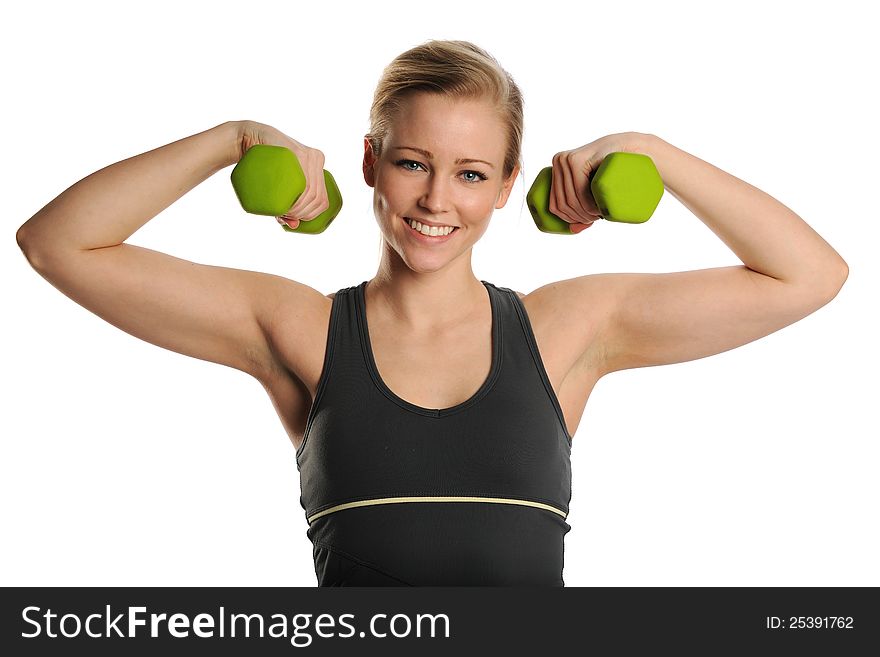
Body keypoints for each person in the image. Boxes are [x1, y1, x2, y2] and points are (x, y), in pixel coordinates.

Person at [16, 40, 848, 586]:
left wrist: (658, 155)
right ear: (371, 164)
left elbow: (809, 275)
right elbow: (58, 244)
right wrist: (228, 140)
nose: (437, 200)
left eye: (473, 174)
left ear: (508, 185)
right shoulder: (299, 328)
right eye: (413, 163)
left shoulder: (568, 329)